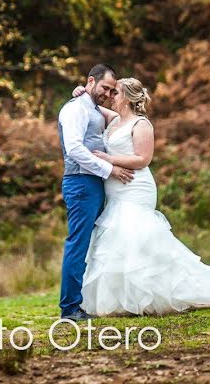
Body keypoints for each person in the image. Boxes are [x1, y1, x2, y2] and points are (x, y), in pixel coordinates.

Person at [72, 77, 210, 316]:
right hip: (115, 188)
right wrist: (82, 92)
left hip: (135, 187)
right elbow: (91, 106)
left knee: (134, 233)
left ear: (126, 98)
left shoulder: (141, 124)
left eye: (115, 93)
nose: (110, 96)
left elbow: (143, 159)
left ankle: (152, 295)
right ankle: (127, 298)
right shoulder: (114, 119)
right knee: (118, 238)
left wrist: (109, 159)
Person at [56, 63, 134, 322]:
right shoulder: (74, 109)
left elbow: (119, 118)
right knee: (77, 243)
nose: (108, 94)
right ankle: (69, 308)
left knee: (92, 243)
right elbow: (75, 149)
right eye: (105, 88)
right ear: (91, 81)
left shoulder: (90, 106)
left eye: (113, 91)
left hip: (93, 183)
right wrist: (109, 169)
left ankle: (85, 300)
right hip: (80, 182)